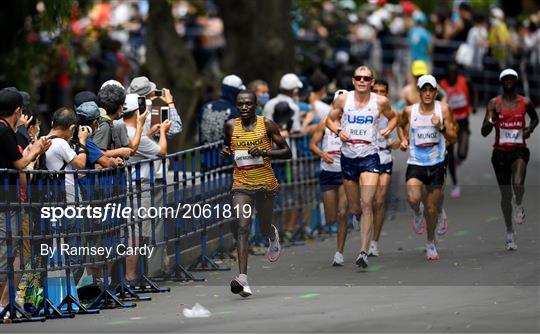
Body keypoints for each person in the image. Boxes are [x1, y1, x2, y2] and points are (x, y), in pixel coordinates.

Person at [222, 90, 291, 297]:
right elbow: (227, 144)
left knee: (263, 225)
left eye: (248, 104)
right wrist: (225, 151)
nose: (244, 107)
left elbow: (287, 152)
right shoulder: (230, 126)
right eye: (240, 104)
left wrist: (264, 152)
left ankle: (271, 234)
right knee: (243, 226)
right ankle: (242, 278)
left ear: (255, 105)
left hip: (265, 184)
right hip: (241, 184)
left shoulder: (267, 124)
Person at [326, 66, 396, 268]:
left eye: (366, 78)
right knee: (355, 208)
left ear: (372, 82)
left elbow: (394, 117)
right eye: (358, 78)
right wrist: (339, 131)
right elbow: (329, 120)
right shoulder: (343, 99)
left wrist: (389, 129)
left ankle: (363, 251)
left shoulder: (380, 101)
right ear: (353, 80)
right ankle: (358, 218)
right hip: (348, 157)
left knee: (367, 203)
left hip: (370, 157)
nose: (362, 81)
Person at [0, 89, 51, 311]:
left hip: (8, 200)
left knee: (10, 251)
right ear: (18, 110)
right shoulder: (4, 131)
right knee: (6, 252)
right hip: (7, 201)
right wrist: (36, 149)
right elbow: (20, 164)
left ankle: (5, 304)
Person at [398, 75, 458, 261]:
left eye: (431, 89)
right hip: (416, 163)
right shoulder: (410, 111)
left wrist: (440, 127)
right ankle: (417, 214)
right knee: (413, 198)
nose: (427, 93)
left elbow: (454, 138)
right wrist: (403, 139)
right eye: (423, 89)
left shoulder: (444, 110)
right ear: (419, 91)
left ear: (436, 91)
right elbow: (400, 125)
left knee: (431, 208)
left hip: (437, 164)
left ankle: (430, 242)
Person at [481, 69, 538, 251]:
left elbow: (536, 119)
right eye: (505, 79)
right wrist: (492, 120)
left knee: (518, 184)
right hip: (499, 154)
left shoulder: (525, 102)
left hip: (519, 151)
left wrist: (530, 128)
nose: (508, 81)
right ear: (501, 82)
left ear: (516, 81)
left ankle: (519, 204)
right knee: (505, 196)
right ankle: (509, 232)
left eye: (511, 79)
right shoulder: (494, 104)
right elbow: (484, 131)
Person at [121, 93, 170, 282]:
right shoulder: (134, 134)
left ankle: (126, 277)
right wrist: (163, 131)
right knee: (136, 235)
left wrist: (148, 133)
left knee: (129, 234)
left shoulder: (120, 129)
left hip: (126, 186)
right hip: (139, 188)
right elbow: (161, 151)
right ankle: (131, 277)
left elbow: (138, 144)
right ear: (139, 112)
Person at [310, 90, 348, 266]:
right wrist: (323, 154)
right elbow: (313, 145)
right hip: (328, 172)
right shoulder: (324, 123)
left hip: (346, 173)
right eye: (338, 105)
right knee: (331, 217)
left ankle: (339, 253)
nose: (340, 109)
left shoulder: (351, 125)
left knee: (342, 214)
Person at [370, 80, 400, 257]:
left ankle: (374, 242)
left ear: (387, 94)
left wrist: (397, 142)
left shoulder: (391, 113)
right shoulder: (363, 110)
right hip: (365, 158)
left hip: (385, 157)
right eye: (376, 91)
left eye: (383, 91)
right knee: (365, 201)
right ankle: (361, 219)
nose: (379, 94)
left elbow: (401, 130)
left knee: (379, 200)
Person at [440, 63, 475, 198]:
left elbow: (473, 92)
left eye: (455, 74)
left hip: (463, 122)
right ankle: (455, 185)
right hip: (449, 123)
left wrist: (473, 104)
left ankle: (459, 159)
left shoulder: (465, 81)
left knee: (462, 153)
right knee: (450, 155)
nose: (452, 77)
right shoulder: (442, 85)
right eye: (450, 74)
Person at [199, 75, 245, 144]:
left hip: (205, 153)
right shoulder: (235, 112)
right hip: (227, 153)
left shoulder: (206, 107)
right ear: (236, 93)